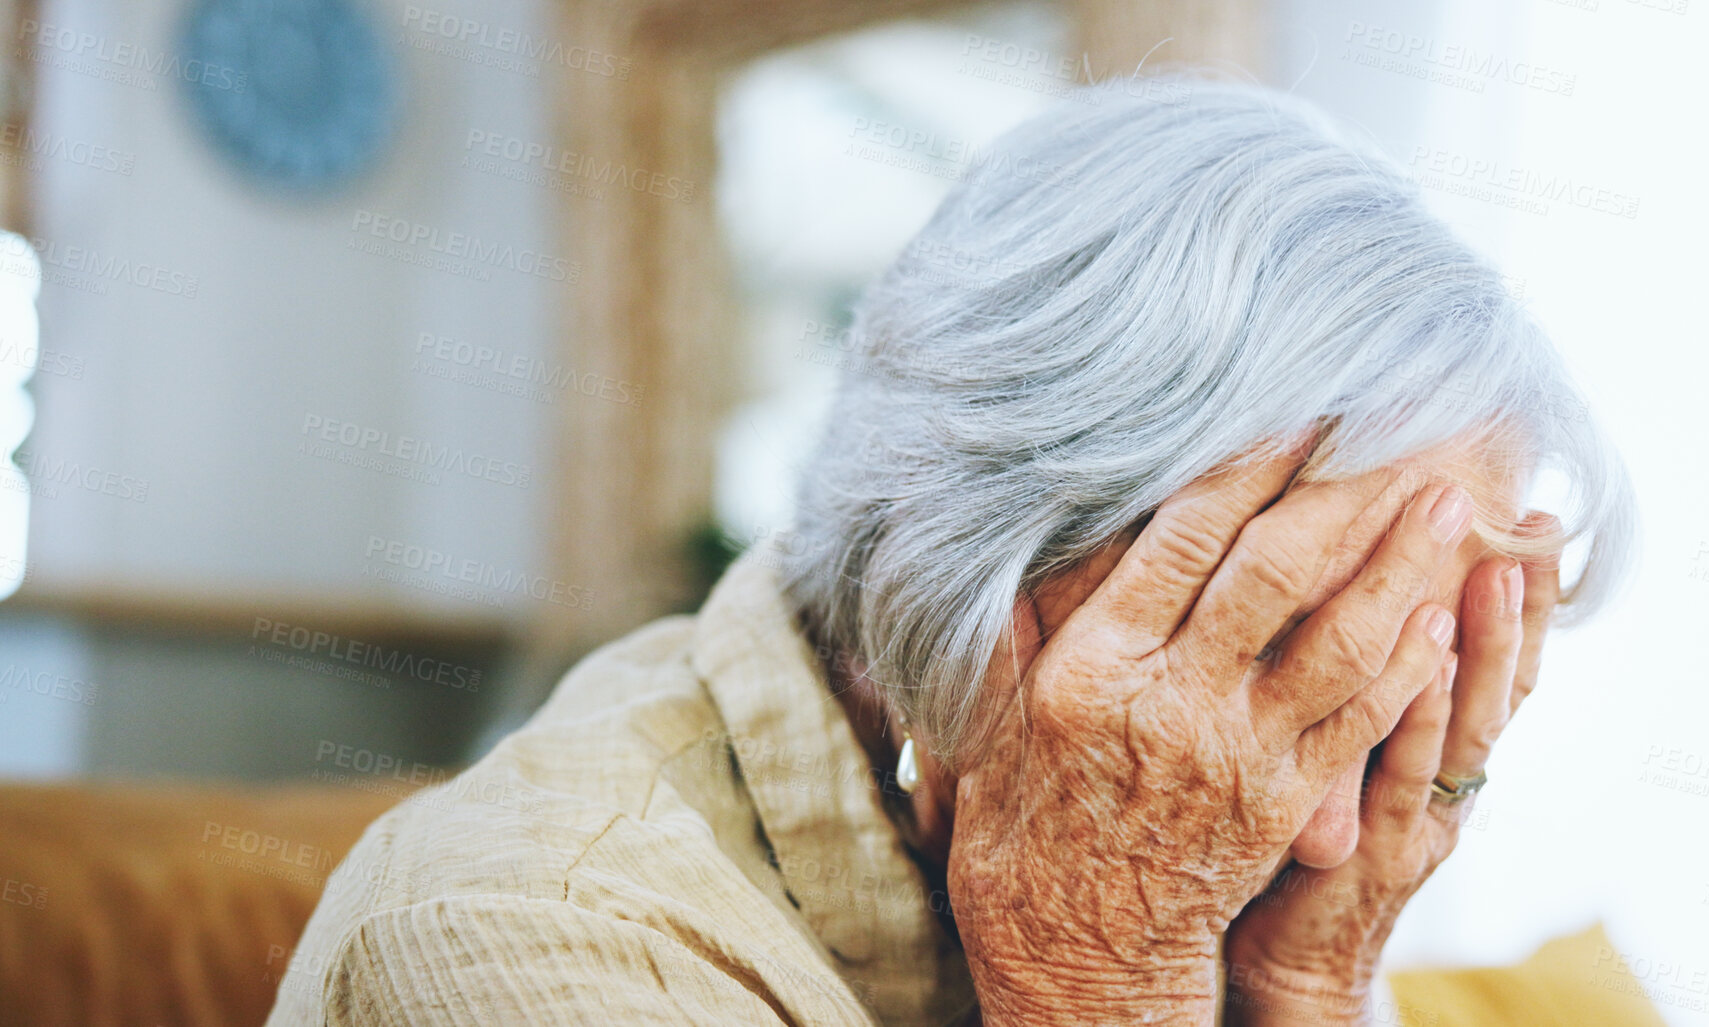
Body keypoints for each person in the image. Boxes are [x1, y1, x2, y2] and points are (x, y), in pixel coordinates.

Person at [271, 76, 1633, 1026]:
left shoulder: (1256, 900)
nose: (1340, 831)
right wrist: (1108, 978)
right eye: (1283, 649)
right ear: (979, 545)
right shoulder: (514, 937)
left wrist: (1320, 998)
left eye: (1401, 691)